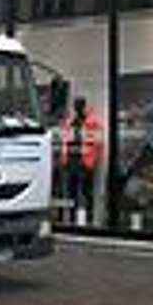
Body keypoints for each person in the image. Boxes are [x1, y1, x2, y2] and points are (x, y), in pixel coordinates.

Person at [60, 96, 104, 225]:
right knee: (72, 192)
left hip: (84, 162)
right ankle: (72, 219)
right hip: (71, 161)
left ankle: (88, 219)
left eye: (79, 105)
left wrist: (90, 161)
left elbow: (97, 143)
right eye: (76, 105)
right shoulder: (70, 122)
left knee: (86, 192)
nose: (77, 107)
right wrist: (64, 159)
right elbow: (65, 141)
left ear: (84, 106)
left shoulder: (92, 122)